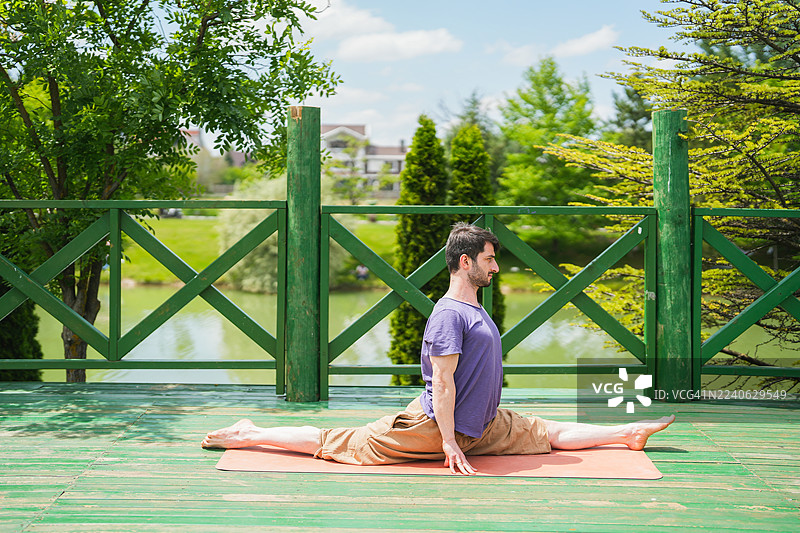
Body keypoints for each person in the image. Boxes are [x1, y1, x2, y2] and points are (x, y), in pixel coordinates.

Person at [203, 222, 675, 475]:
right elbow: (443, 382)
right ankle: (249, 433)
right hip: (438, 428)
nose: (495, 267)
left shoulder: (474, 307)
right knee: (340, 442)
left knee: (545, 430)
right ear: (466, 262)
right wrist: (447, 441)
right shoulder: (450, 314)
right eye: (489, 259)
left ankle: (628, 431)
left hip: (483, 425)